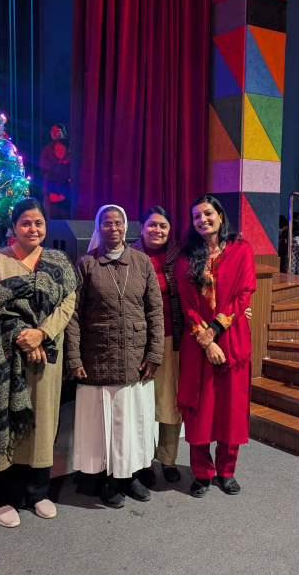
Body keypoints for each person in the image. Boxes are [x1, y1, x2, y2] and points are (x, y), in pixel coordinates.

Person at [0, 198, 80, 527]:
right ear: (14, 227)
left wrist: (42, 334)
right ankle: (4, 498)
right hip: (4, 358)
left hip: (46, 355)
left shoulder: (58, 261)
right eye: (26, 223)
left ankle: (38, 492)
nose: (33, 229)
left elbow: (68, 302)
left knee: (42, 421)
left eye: (39, 223)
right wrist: (24, 336)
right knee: (7, 421)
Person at [65, 205, 164, 508]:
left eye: (118, 223)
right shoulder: (86, 264)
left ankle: (128, 476)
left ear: (125, 227)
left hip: (135, 358)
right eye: (106, 223)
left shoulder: (142, 262)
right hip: (97, 358)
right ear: (98, 228)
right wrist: (74, 359)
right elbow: (73, 316)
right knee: (102, 426)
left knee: (131, 423)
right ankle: (104, 478)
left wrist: (154, 354)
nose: (113, 228)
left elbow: (155, 311)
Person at [175, 195, 256, 498]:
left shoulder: (241, 250)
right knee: (199, 409)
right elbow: (186, 303)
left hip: (233, 340)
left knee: (230, 408)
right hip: (197, 343)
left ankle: (227, 470)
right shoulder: (186, 257)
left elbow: (244, 295)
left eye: (208, 213)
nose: (202, 220)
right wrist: (206, 340)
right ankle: (201, 472)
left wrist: (215, 330)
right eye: (196, 216)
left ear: (220, 216)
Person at [131, 206, 183, 483]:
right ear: (141, 228)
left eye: (163, 225)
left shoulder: (181, 255)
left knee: (170, 402)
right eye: (152, 225)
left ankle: (168, 459)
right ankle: (145, 462)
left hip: (173, 338)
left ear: (170, 230)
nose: (157, 230)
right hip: (139, 340)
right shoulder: (129, 256)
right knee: (142, 404)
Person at [43, 138, 71, 220]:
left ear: (68, 149)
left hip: (67, 203)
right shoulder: (54, 166)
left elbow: (72, 184)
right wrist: (51, 193)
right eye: (56, 150)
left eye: (61, 148)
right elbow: (49, 181)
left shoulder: (72, 166)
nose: (58, 152)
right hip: (54, 203)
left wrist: (62, 196)